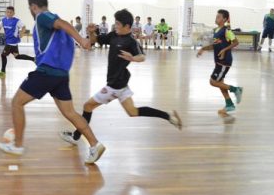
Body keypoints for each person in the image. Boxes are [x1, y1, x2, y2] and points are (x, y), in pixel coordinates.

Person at [0, 0, 106, 164]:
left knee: (17, 103)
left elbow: (62, 24)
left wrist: (81, 39)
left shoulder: (43, 17)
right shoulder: (59, 27)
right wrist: (86, 38)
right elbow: (64, 32)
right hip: (61, 75)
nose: (31, 11)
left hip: (47, 72)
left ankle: (17, 145)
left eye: (30, 8)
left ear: (34, 7)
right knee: (70, 112)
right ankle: (95, 144)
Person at [60, 9, 182, 147]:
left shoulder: (131, 41)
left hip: (115, 86)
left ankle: (76, 137)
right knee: (133, 112)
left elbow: (142, 56)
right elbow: (94, 41)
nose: (115, 26)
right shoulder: (113, 35)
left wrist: (132, 58)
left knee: (87, 106)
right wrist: (92, 32)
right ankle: (169, 116)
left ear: (127, 26)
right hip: (122, 84)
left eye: (118, 24)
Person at [197, 9, 243, 115]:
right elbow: (215, 45)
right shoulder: (216, 30)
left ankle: (236, 90)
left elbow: (236, 42)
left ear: (224, 19)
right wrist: (203, 49)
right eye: (216, 16)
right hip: (218, 61)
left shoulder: (227, 31)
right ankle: (229, 105)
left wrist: (224, 50)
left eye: (218, 17)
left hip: (224, 61)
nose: (216, 18)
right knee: (220, 84)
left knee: (213, 82)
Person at [0, 6, 35, 78]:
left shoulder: (17, 21)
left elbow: (23, 27)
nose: (9, 14)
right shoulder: (3, 20)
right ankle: (33, 59)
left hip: (12, 41)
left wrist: (22, 33)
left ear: (13, 13)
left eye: (10, 12)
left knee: (3, 55)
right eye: (7, 12)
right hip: (10, 42)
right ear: (6, 13)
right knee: (17, 56)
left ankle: (3, 72)